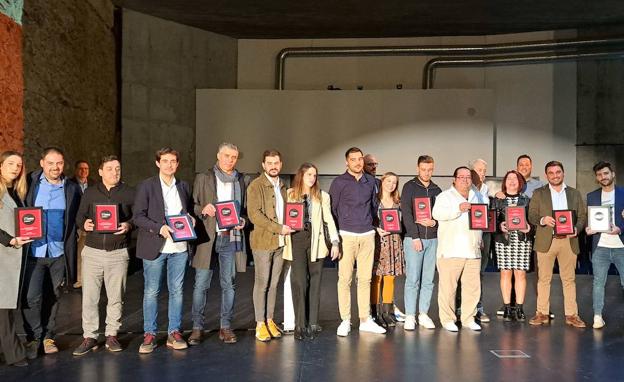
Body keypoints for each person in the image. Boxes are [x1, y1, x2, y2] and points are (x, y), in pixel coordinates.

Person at [72, 156, 135, 355]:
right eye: (109, 169)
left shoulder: (129, 192)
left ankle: (111, 335)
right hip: (92, 252)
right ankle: (90, 336)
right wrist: (85, 224)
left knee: (116, 297)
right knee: (90, 298)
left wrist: (128, 225)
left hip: (118, 252)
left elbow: (138, 217)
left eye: (117, 168)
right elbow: (80, 216)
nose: (114, 172)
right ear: (100, 172)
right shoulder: (90, 192)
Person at [22, 146, 81, 356]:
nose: (55, 167)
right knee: (31, 298)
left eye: (59, 163)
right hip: (33, 251)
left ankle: (48, 337)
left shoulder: (72, 188)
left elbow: (77, 218)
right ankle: (33, 337)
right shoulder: (29, 183)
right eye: (50, 163)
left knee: (53, 296)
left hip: (58, 253)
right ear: (42, 164)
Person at [133, 147, 194, 353]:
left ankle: (173, 332)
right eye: (165, 161)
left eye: (173, 161)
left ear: (177, 164)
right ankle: (149, 334)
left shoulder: (184, 186)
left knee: (177, 291)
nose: (169, 164)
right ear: (158, 163)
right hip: (154, 245)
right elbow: (138, 216)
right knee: (151, 291)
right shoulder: (147, 186)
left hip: (180, 246)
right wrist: (159, 227)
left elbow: (188, 211)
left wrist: (191, 219)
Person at [189, 143, 247, 345]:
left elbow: (245, 210)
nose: (230, 160)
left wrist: (243, 221)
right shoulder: (204, 178)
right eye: (226, 156)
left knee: (228, 285)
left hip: (230, 238)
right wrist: (202, 208)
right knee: (201, 285)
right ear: (218, 156)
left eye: (234, 157)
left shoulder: (241, 180)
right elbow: (192, 205)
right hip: (207, 238)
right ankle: (197, 328)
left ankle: (225, 327)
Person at [330, 147, 386, 336]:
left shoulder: (371, 182)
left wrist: (372, 226)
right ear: (347, 162)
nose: (357, 162)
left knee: (365, 279)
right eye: (353, 159)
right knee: (344, 279)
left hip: (367, 235)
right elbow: (333, 210)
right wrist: (337, 238)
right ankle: (345, 320)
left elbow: (373, 206)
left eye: (360, 159)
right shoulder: (339, 182)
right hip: (346, 236)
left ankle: (364, 319)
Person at [282, 163, 340, 340]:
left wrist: (335, 243)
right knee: (300, 282)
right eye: (309, 174)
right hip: (296, 240)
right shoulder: (289, 194)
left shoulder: (322, 196)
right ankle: (300, 324)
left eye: (314, 175)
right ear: (301, 175)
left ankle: (313, 322)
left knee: (315, 283)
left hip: (316, 242)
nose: (312, 178)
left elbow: (329, 219)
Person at [528, 161, 587, 328]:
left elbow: (582, 216)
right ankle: (542, 313)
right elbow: (531, 215)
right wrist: (542, 219)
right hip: (546, 241)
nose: (555, 175)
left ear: (563, 173)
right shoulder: (539, 193)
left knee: (569, 279)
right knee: (543, 279)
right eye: (551, 173)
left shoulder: (575, 193)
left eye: (558, 172)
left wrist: (576, 228)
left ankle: (572, 315)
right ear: (547, 175)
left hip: (569, 241)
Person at [247, 149, 293, 342]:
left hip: (281, 242)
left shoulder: (283, 186)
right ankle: (259, 324)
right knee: (262, 283)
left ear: (280, 164)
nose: (273, 166)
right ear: (263, 165)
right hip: (263, 242)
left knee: (274, 284)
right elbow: (254, 215)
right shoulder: (255, 185)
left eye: (276, 163)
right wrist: (278, 228)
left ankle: (270, 319)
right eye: (270, 163)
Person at [432, 166, 483, 332]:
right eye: (461, 177)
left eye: (468, 177)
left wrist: (480, 238)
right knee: (448, 288)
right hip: (451, 250)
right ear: (454, 179)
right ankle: (448, 319)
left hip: (472, 250)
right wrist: (458, 209)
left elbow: (480, 219)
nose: (465, 180)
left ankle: (468, 318)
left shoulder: (477, 196)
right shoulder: (444, 196)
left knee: (472, 288)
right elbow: (437, 214)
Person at [401, 155, 441, 330]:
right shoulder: (409, 187)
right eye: (423, 169)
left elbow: (440, 214)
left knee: (428, 279)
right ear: (418, 169)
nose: (426, 172)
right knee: (412, 279)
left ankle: (423, 313)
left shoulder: (437, 190)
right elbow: (407, 213)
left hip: (432, 239)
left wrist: (435, 222)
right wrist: (415, 236)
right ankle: (410, 315)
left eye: (430, 169)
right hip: (414, 239)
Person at [0, 151, 32, 367]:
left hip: (12, 256)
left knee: (6, 307)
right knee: (3, 308)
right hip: (3, 253)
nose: (15, 168)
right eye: (10, 163)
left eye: (19, 165)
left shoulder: (17, 193)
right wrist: (9, 240)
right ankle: (14, 353)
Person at [585, 161, 624, 329]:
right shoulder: (591, 196)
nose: (603, 177)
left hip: (621, 246)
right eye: (600, 175)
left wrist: (620, 228)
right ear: (596, 178)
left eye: (606, 173)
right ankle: (597, 316)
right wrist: (588, 229)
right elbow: (590, 220)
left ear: (612, 174)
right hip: (600, 246)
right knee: (598, 282)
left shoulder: (623, 193)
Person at [492, 170, 532, 322]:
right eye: (509, 178)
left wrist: (528, 228)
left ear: (520, 182)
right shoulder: (497, 200)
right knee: (505, 273)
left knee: (520, 274)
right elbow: (490, 221)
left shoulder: (527, 200)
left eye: (515, 178)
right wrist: (499, 226)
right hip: (504, 240)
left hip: (522, 240)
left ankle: (520, 308)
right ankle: (508, 307)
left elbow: (533, 222)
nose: (512, 181)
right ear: (505, 182)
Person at [371, 172, 405, 328]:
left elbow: (402, 223)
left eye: (394, 182)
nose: (391, 185)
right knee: (377, 277)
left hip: (394, 241)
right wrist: (375, 229)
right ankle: (374, 312)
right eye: (389, 181)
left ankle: (386, 312)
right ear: (382, 181)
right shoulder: (374, 201)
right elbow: (367, 219)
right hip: (378, 240)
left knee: (390, 277)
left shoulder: (398, 202)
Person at [469, 159, 491, 323]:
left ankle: (479, 307)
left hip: (485, 235)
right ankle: (462, 307)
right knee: (466, 273)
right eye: (478, 170)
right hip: (469, 236)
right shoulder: (466, 189)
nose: (481, 173)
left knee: (480, 274)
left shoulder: (486, 189)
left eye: (484, 170)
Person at [69, 160, 92, 289]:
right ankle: (79, 279)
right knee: (79, 252)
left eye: (86, 169)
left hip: (91, 222)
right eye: (81, 168)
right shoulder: (69, 184)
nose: (84, 171)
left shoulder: (94, 184)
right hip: (76, 223)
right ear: (76, 170)